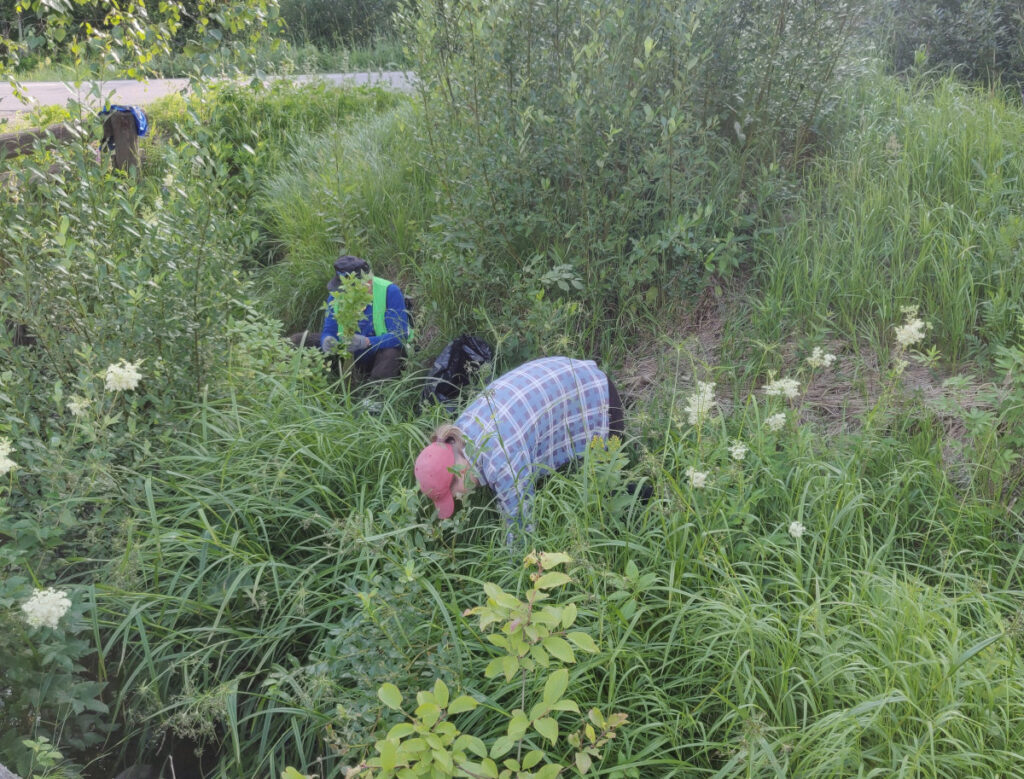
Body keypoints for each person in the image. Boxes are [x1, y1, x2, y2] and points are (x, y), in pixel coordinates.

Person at [414, 356, 625, 535]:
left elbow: (521, 532)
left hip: (598, 400)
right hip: (573, 373)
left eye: (453, 491)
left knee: (606, 492)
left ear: (457, 469)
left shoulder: (500, 460)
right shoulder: (459, 431)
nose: (458, 497)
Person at [320, 255, 411, 381]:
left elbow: (400, 336)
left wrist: (367, 342)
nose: (344, 293)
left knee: (391, 353)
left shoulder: (389, 292)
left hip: (379, 357)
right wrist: (327, 339)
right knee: (303, 341)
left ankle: (375, 397)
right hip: (349, 355)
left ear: (368, 282)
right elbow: (329, 330)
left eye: (350, 288)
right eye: (342, 287)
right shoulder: (336, 295)